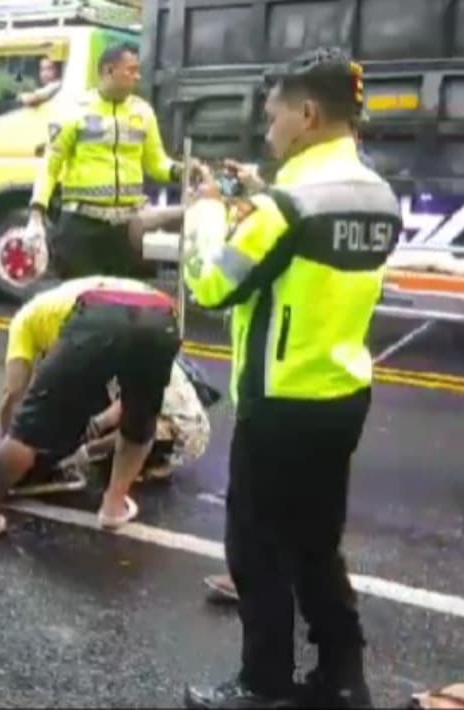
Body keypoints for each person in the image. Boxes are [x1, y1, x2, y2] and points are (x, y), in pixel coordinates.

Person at [182, 48, 401, 709]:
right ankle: (341, 677)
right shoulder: (377, 194)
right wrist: (257, 196)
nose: (270, 129)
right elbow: (302, 264)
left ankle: (263, 684)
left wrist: (205, 210)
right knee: (315, 545)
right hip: (341, 394)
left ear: (307, 114)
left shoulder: (287, 204)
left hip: (277, 402)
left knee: (255, 548)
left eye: (275, 116)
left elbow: (214, 280)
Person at [0, 275, 181, 535]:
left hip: (100, 315)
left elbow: (15, 394)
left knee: (29, 430)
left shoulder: (24, 321)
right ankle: (113, 508)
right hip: (162, 316)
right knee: (139, 418)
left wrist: (11, 438)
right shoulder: (69, 295)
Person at [26, 43, 189, 280]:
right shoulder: (75, 109)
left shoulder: (143, 112)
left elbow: (156, 163)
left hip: (128, 229)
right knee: (79, 304)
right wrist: (36, 214)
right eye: (130, 70)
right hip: (82, 228)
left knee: (128, 306)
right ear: (108, 71)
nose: (137, 76)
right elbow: (51, 165)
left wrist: (179, 171)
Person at [59, 358, 212, 483]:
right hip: (177, 416)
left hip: (182, 430)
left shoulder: (136, 369)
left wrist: (88, 450)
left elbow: (128, 424)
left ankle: (149, 462)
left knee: (131, 435)